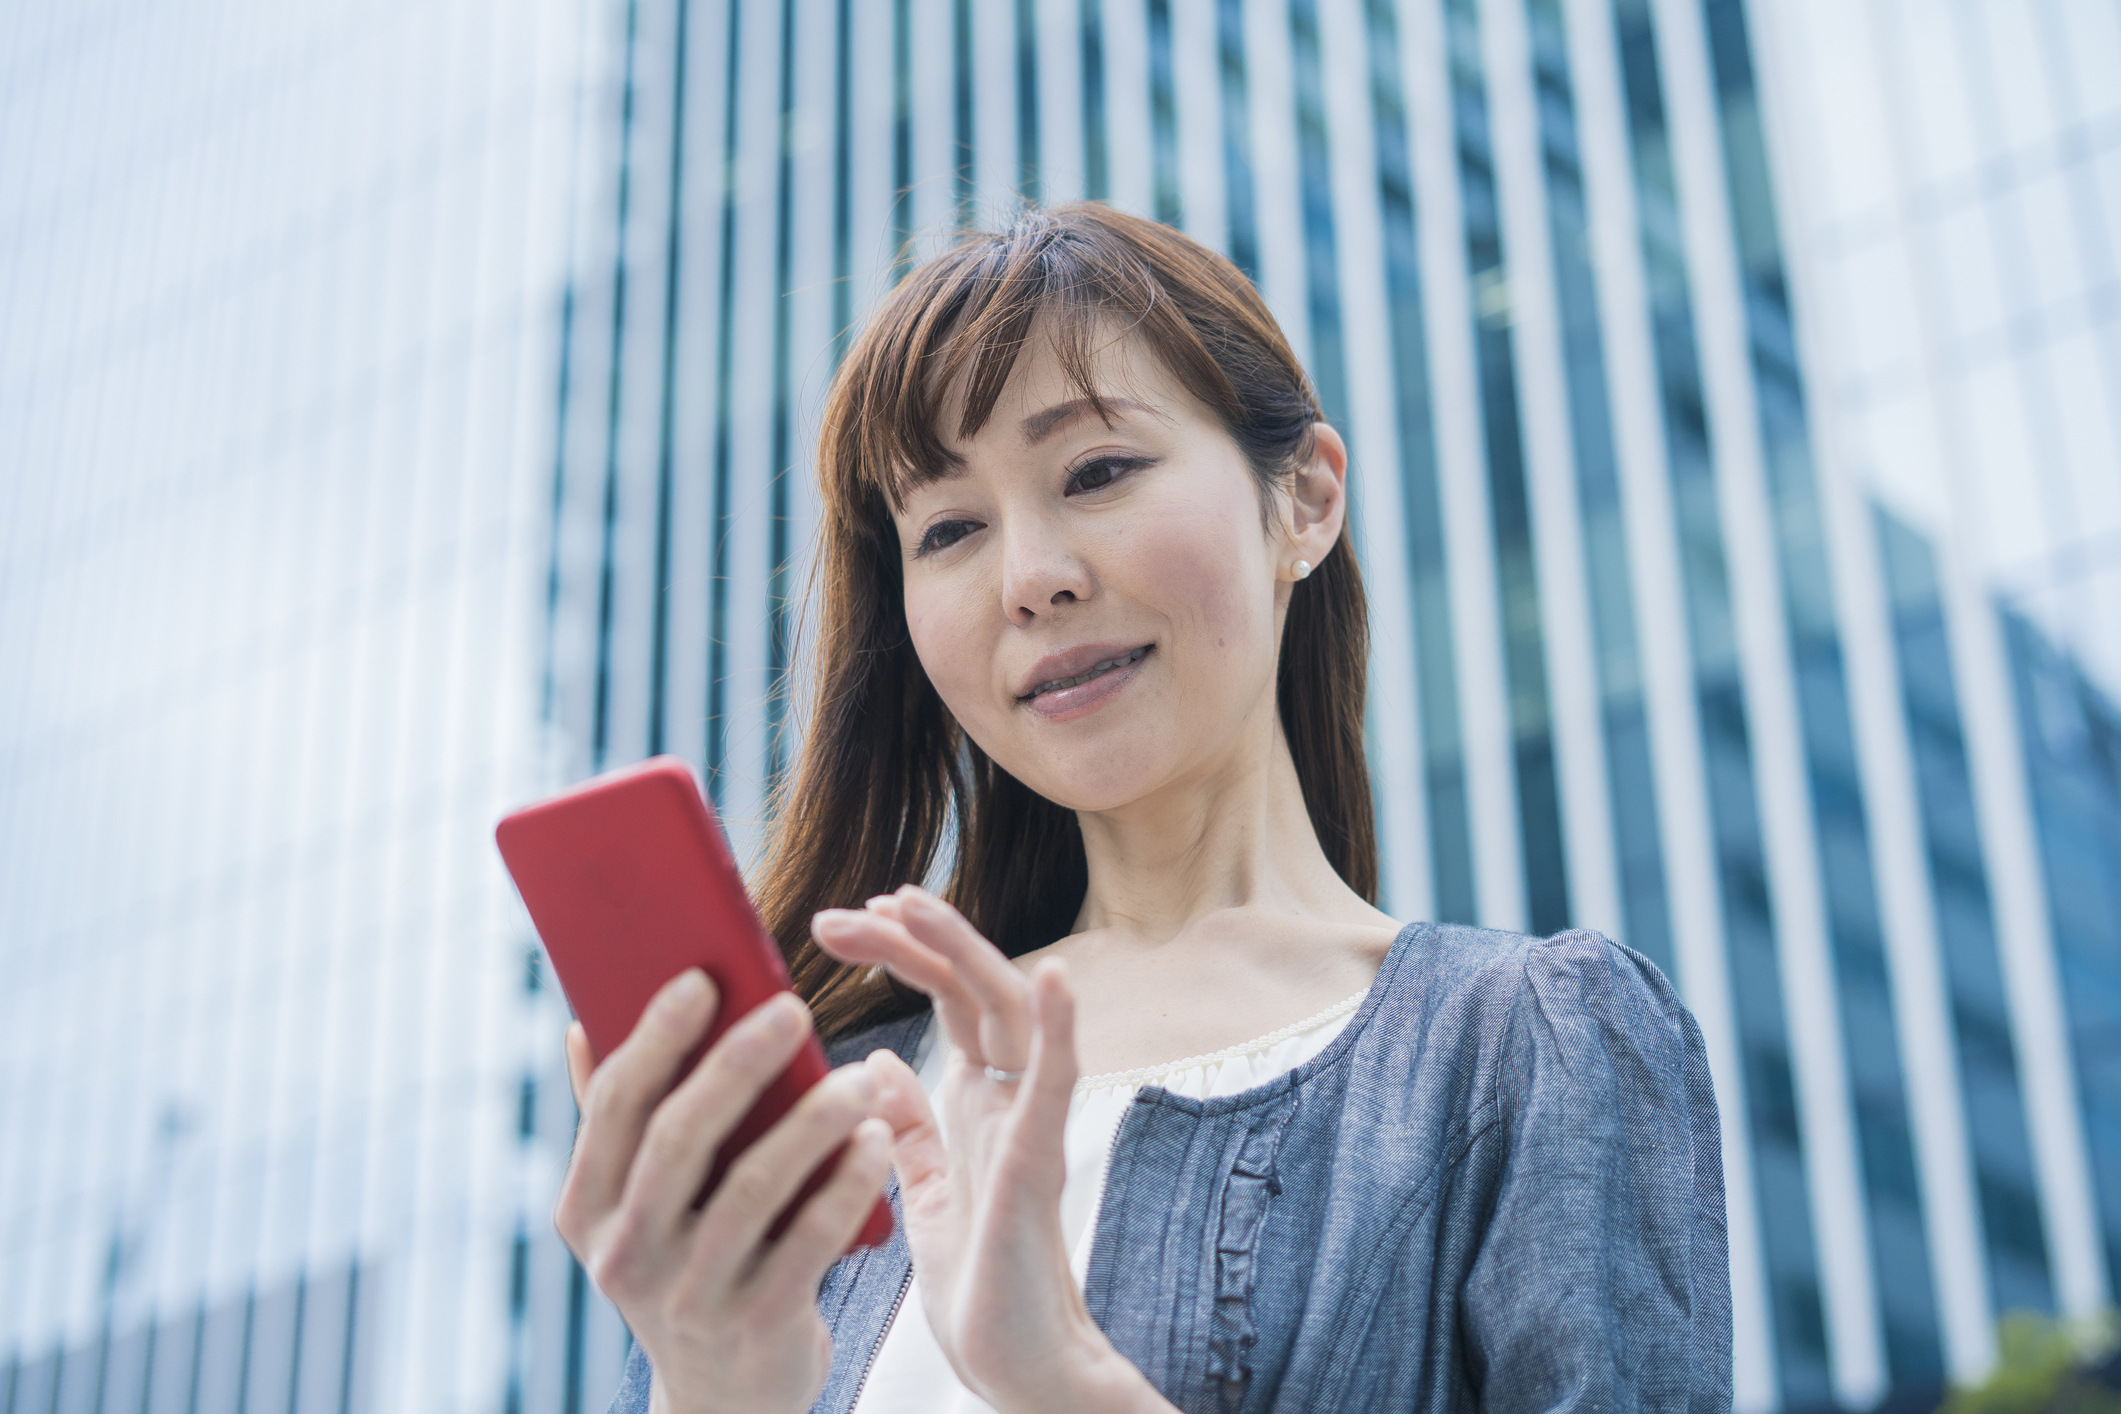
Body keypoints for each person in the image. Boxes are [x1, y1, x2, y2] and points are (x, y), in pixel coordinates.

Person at [556, 204, 1731, 1414]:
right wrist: (710, 1386)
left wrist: (1060, 1381)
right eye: (950, 528)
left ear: (1306, 502)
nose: (1031, 579)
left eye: (1098, 471)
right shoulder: (833, 1112)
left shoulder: (1517, 1047)